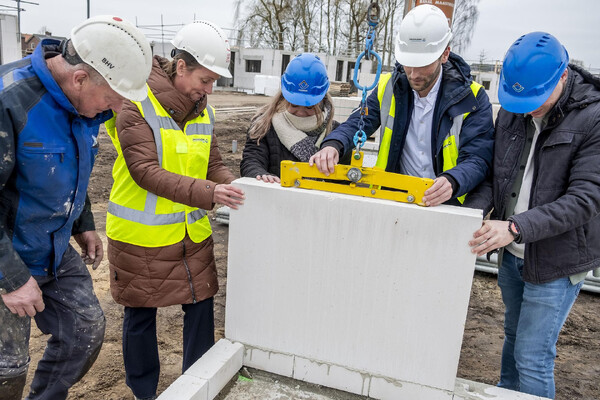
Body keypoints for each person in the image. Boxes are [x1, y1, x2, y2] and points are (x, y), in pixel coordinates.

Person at [0, 15, 152, 400]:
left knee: (83, 333)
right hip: (6, 254)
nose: (117, 108)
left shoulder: (84, 105)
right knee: (6, 371)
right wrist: (12, 279)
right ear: (80, 78)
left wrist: (83, 221)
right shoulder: (11, 103)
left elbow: (70, 167)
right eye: (113, 97)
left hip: (50, 244)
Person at [104, 20, 244, 400]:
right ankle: (143, 392)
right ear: (181, 67)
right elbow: (147, 173)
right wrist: (213, 193)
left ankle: (195, 386)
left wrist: (237, 186)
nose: (209, 89)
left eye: (215, 81)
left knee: (201, 309)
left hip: (190, 235)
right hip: (141, 237)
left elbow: (213, 164)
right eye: (205, 78)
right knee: (140, 317)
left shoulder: (204, 112)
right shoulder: (136, 104)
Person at [465, 32, 600, 398]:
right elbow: (497, 176)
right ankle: (507, 392)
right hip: (513, 254)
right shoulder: (514, 110)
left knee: (533, 355)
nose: (527, 109)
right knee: (513, 336)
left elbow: (586, 198)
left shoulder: (594, 118)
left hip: (557, 260)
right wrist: (468, 215)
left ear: (562, 77)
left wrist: (514, 226)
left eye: (534, 100)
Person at [309, 4, 494, 206]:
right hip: (397, 196)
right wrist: (334, 145)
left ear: (445, 54)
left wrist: (453, 180)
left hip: (448, 203)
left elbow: (478, 157)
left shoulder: (472, 97)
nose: (413, 74)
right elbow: (358, 124)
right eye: (408, 62)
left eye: (423, 64)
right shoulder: (389, 88)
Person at [241, 53, 349, 182]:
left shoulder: (337, 135)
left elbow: (344, 179)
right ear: (284, 97)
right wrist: (259, 174)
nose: (301, 112)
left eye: (309, 107)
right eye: (294, 105)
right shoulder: (264, 125)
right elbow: (252, 160)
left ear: (322, 100)